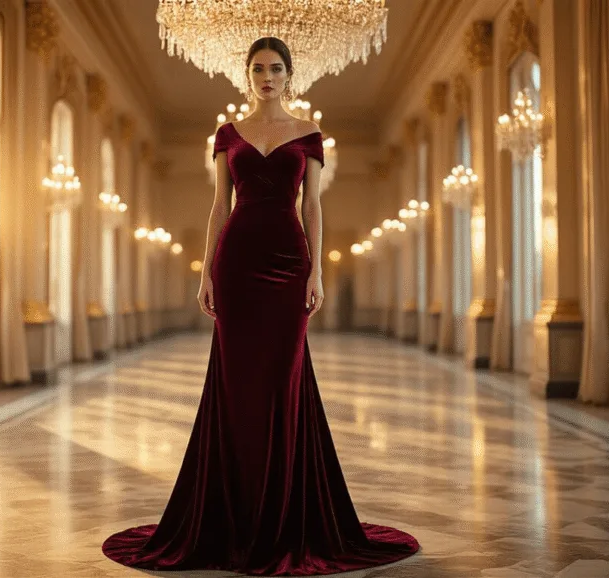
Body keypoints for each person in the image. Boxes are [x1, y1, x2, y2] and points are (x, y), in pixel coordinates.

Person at [102, 37, 420, 576]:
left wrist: (316, 270)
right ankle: (233, 514)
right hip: (237, 262)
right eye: (258, 69)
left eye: (275, 68)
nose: (266, 76)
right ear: (246, 76)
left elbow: (313, 206)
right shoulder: (228, 135)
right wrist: (206, 269)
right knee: (236, 385)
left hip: (288, 260)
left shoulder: (309, 135)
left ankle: (283, 512)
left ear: (289, 75)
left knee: (282, 382)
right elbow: (218, 206)